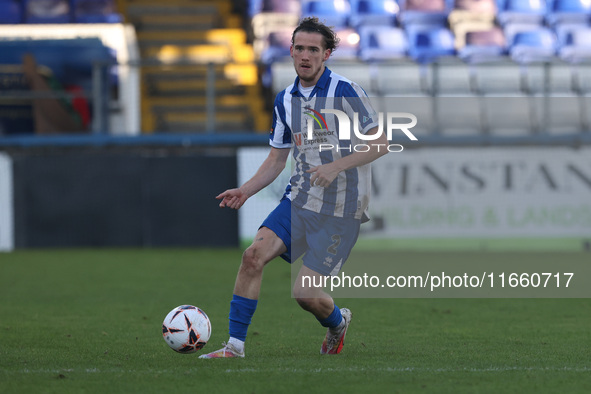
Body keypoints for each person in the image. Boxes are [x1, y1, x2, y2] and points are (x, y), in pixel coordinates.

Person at [199, 17, 388, 359]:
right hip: (299, 199)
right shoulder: (284, 99)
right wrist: (245, 190)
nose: (305, 55)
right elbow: (275, 160)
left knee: (305, 294)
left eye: (313, 49)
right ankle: (234, 347)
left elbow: (380, 143)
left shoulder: (345, 91)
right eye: (299, 47)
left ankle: (337, 322)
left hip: (341, 209)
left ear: (326, 54)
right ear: (290, 51)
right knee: (252, 256)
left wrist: (335, 166)